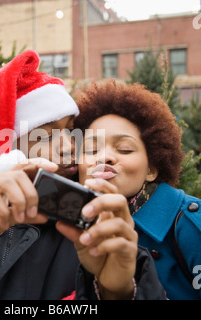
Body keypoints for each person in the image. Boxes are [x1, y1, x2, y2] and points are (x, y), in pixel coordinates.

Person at [0, 50, 165, 300]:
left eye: (72, 129)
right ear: (6, 148)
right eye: (47, 135)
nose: (69, 145)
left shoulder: (92, 224)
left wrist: (117, 291)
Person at [74, 79, 201, 300]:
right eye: (92, 148)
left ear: (151, 169)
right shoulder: (69, 227)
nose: (104, 157)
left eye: (124, 149)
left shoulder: (191, 224)